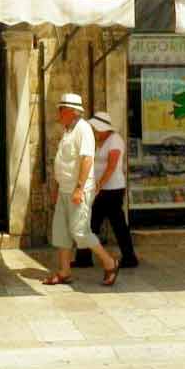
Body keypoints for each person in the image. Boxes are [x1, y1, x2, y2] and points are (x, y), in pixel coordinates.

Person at [43, 93, 119, 287]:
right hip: (65, 190)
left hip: (78, 190)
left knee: (80, 232)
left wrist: (78, 188)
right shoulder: (68, 130)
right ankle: (64, 271)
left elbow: (87, 159)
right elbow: (65, 161)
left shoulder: (83, 129)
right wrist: (58, 187)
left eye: (61, 109)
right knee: (61, 232)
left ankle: (109, 263)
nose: (58, 113)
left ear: (70, 112)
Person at [73, 112, 139, 269]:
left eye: (96, 128)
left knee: (113, 225)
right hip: (102, 189)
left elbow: (112, 166)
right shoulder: (100, 141)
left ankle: (128, 258)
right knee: (93, 223)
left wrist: (99, 185)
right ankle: (84, 258)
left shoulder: (115, 140)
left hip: (112, 190)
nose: (94, 131)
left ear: (104, 128)